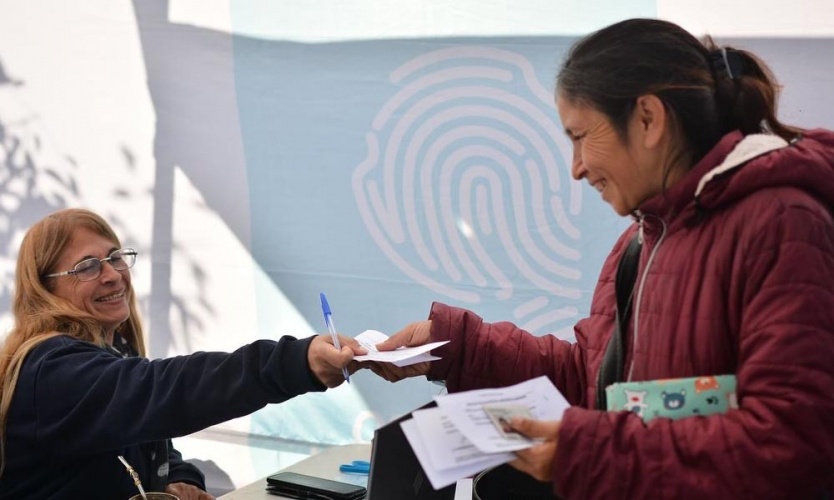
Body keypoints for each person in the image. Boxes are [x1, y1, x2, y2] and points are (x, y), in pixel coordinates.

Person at [367, 18, 834, 499]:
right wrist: (461, 346)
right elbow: (598, 385)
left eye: (580, 136)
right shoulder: (640, 240)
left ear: (648, 119)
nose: (576, 168)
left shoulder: (781, 223)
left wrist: (587, 452)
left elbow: (791, 441)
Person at [0, 208, 364, 499]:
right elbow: (169, 389)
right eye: (88, 267)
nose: (112, 275)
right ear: (44, 289)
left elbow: (147, 437)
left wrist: (177, 478)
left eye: (114, 257)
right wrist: (297, 362)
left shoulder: (111, 352)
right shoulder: (50, 369)